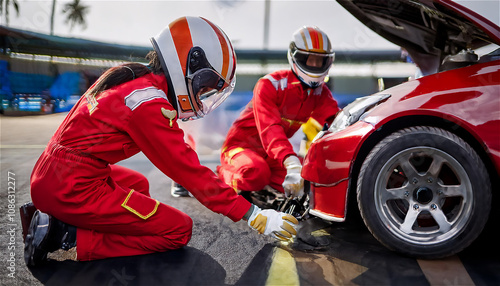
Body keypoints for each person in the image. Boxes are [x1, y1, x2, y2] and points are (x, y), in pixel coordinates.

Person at [24, 16, 298, 267]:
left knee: (138, 185)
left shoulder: (135, 80)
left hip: (57, 173)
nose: (201, 96)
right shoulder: (149, 103)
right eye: (203, 86)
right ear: (187, 65)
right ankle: (64, 236)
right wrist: (254, 215)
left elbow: (175, 150)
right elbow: (188, 171)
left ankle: (64, 219)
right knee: (177, 229)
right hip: (71, 186)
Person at [217, 26, 340, 206]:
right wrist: (291, 162)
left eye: (319, 61)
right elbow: (270, 129)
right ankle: (219, 176)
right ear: (295, 57)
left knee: (309, 181)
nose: (314, 65)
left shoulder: (322, 94)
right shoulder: (269, 85)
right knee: (255, 173)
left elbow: (338, 123)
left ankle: (262, 185)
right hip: (240, 148)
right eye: (309, 59)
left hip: (273, 156)